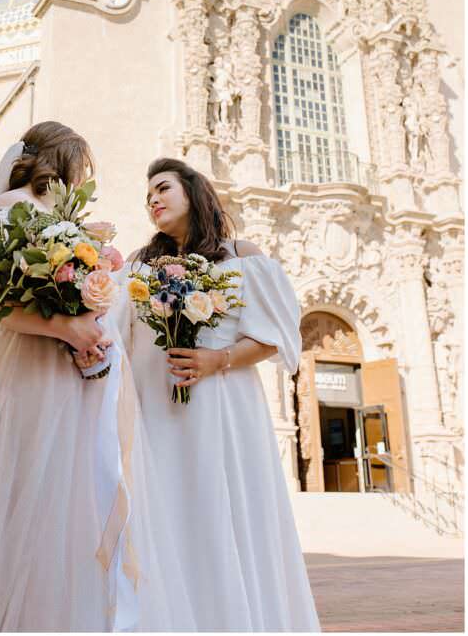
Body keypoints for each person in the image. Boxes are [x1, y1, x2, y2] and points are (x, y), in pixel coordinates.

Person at [0, 124, 194, 633]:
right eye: (80, 167)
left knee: (71, 503)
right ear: (60, 160)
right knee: (26, 497)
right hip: (28, 375)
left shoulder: (58, 218)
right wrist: (67, 325)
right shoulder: (8, 207)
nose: (82, 179)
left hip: (69, 379)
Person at [116, 157, 321, 633]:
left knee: (221, 516)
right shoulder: (138, 265)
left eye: (163, 188)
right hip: (158, 414)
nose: (153, 199)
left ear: (192, 191)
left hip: (222, 412)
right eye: (148, 194)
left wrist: (217, 360)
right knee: (167, 515)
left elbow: (276, 336)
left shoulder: (239, 255)